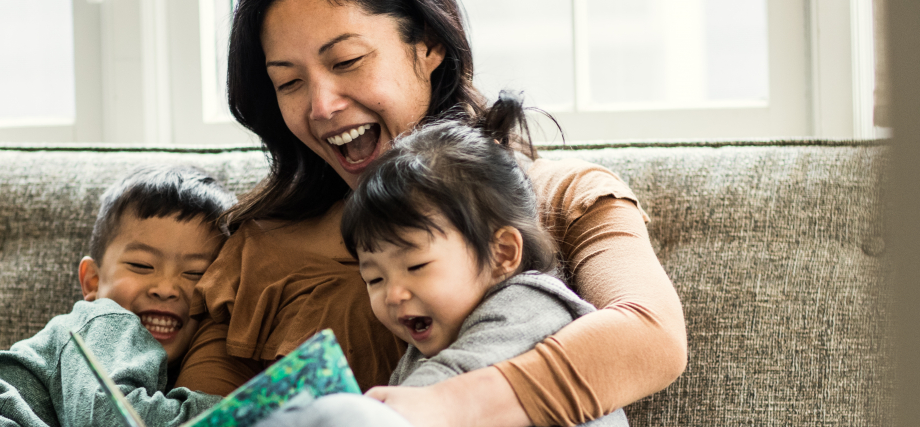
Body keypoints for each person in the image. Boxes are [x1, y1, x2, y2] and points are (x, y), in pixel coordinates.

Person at [175, 0, 688, 426]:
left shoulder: (560, 195)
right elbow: (200, 412)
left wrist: (439, 405)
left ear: (428, 44)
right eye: (289, 83)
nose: (321, 106)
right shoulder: (260, 250)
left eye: (347, 61)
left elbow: (652, 337)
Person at [0, 165, 235, 427]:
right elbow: (111, 417)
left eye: (195, 273)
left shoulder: (195, 363)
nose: (166, 288)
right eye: (142, 266)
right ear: (93, 282)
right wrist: (236, 410)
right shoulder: (104, 322)